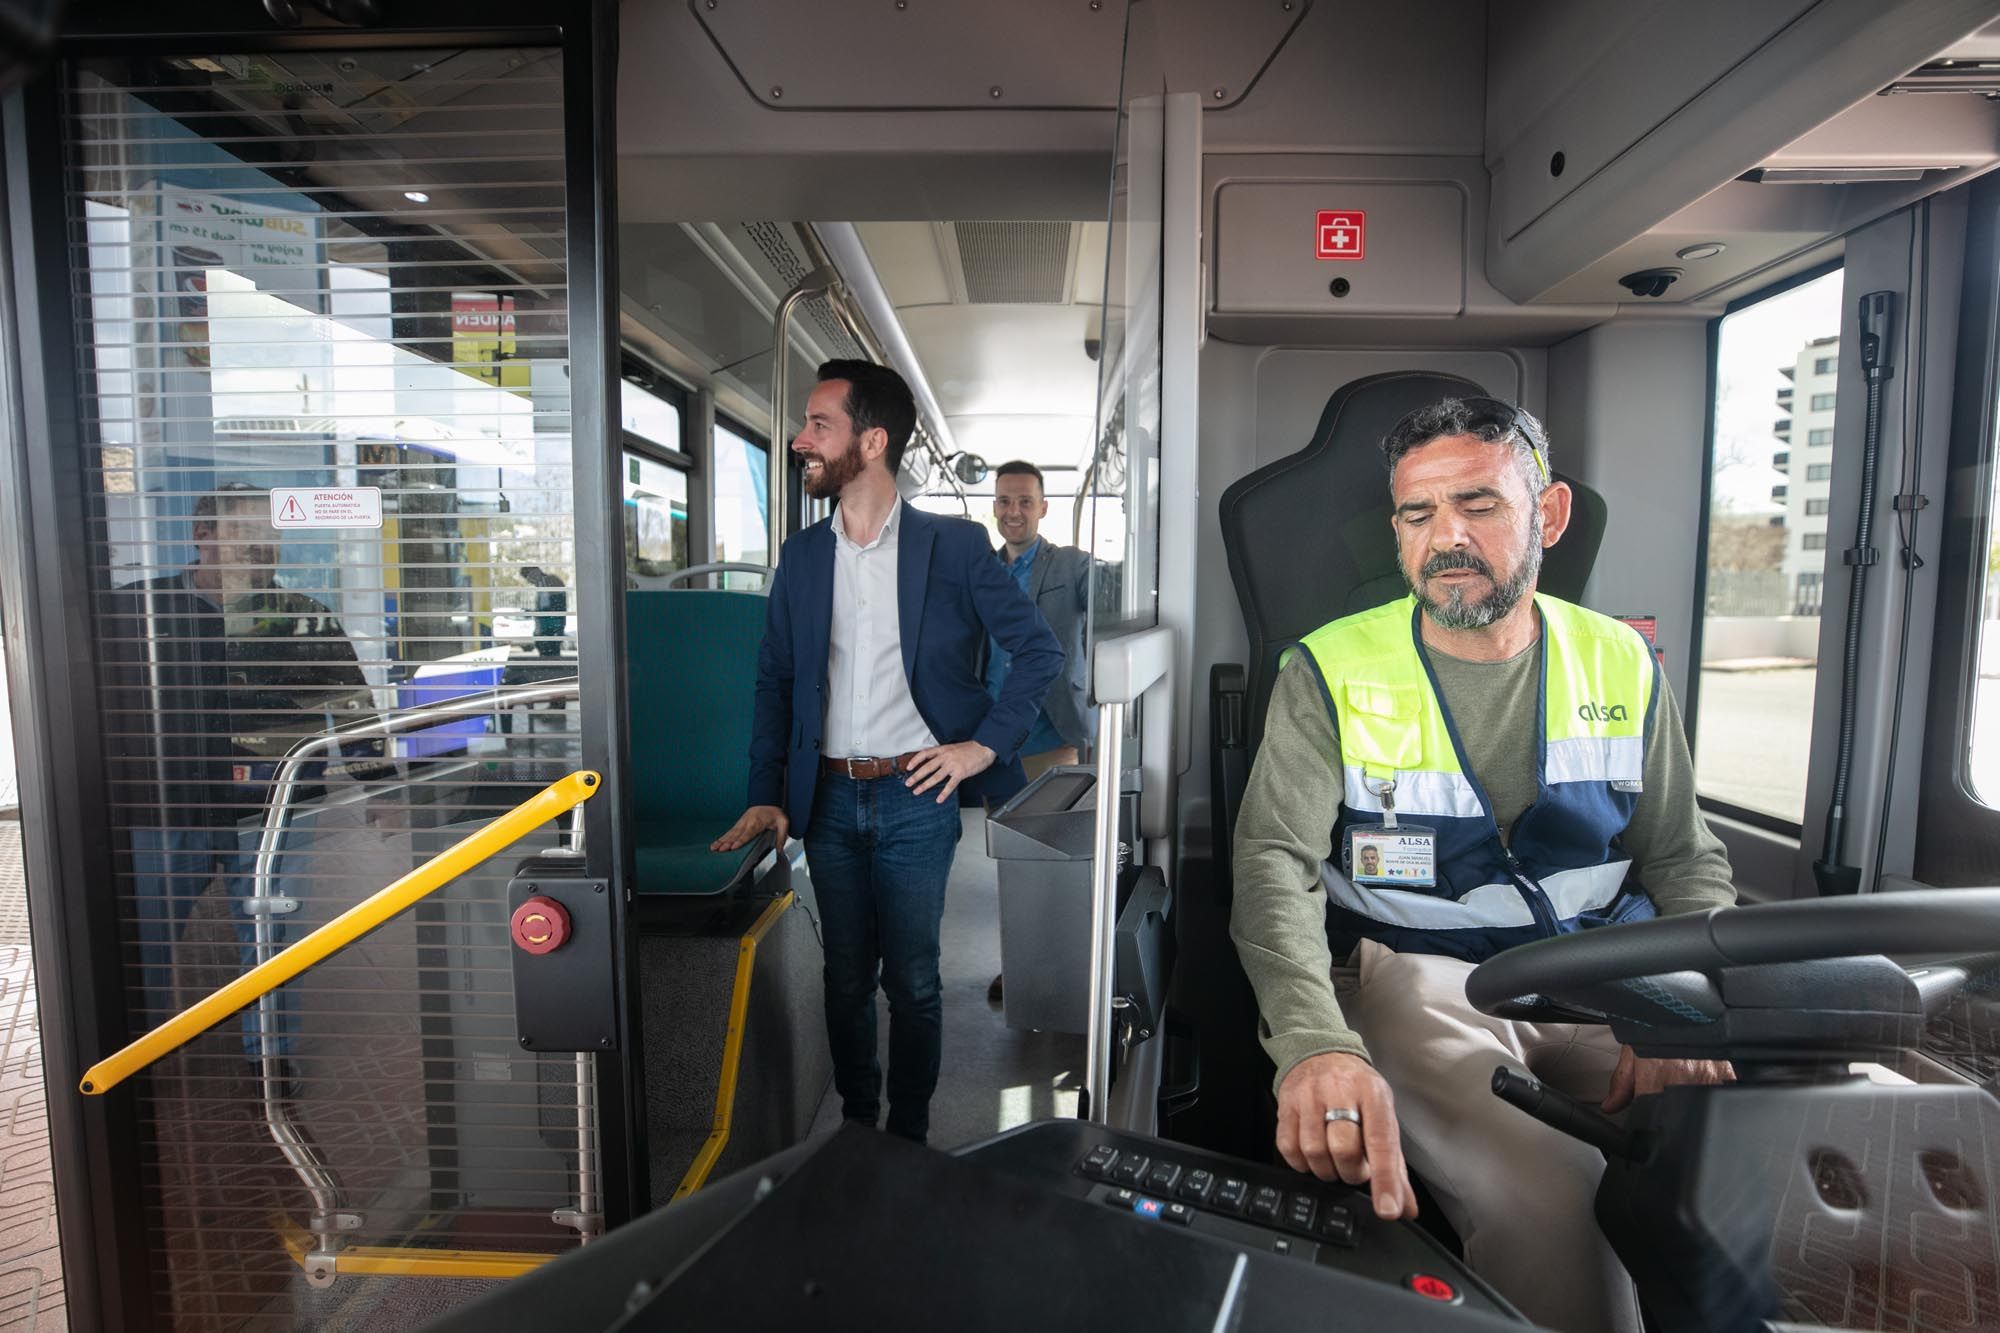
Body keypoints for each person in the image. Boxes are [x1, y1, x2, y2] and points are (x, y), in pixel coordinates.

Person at [1230, 397, 1737, 1333]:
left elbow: (1683, 856)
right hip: (1417, 983)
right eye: (1418, 516)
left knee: (1773, 1155)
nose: (1445, 538)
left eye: (1479, 505)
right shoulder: (1331, 669)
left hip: (1611, 981)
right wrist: (1314, 1044)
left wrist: (1688, 1006)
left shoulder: (1621, 660)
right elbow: (1272, 867)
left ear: (1546, 514)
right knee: (1551, 1194)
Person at [713, 360, 1062, 1144]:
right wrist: (766, 789)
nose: (802, 439)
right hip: (828, 799)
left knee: (911, 980)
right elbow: (775, 680)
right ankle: (858, 1128)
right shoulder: (802, 557)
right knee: (843, 979)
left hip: (917, 793)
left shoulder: (955, 546)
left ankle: (907, 1134)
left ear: (871, 442)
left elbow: (1038, 652)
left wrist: (979, 747)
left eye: (819, 425)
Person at [104, 482, 373, 1094]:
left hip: (274, 814)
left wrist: (379, 787)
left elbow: (352, 710)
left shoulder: (305, 616)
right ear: (203, 537)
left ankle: (269, 1061)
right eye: (247, 533)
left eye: (271, 535)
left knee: (273, 943)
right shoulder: (135, 614)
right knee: (146, 940)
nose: (263, 546)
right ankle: (138, 1058)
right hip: (164, 810)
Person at [983, 459, 1100, 1003]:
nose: (1014, 511)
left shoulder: (1071, 566)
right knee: (1011, 862)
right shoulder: (981, 569)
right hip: (992, 739)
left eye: (1025, 501)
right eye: (1006, 501)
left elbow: (1115, 591)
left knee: (1055, 860)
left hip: (1051, 732)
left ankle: (1062, 970)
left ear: (1043, 508)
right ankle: (1020, 968)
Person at [520, 565, 568, 659]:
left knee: (550, 650)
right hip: (547, 626)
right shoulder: (543, 584)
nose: (529, 582)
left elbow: (555, 605)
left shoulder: (550, 581)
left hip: (550, 626)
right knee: (547, 649)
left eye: (528, 578)